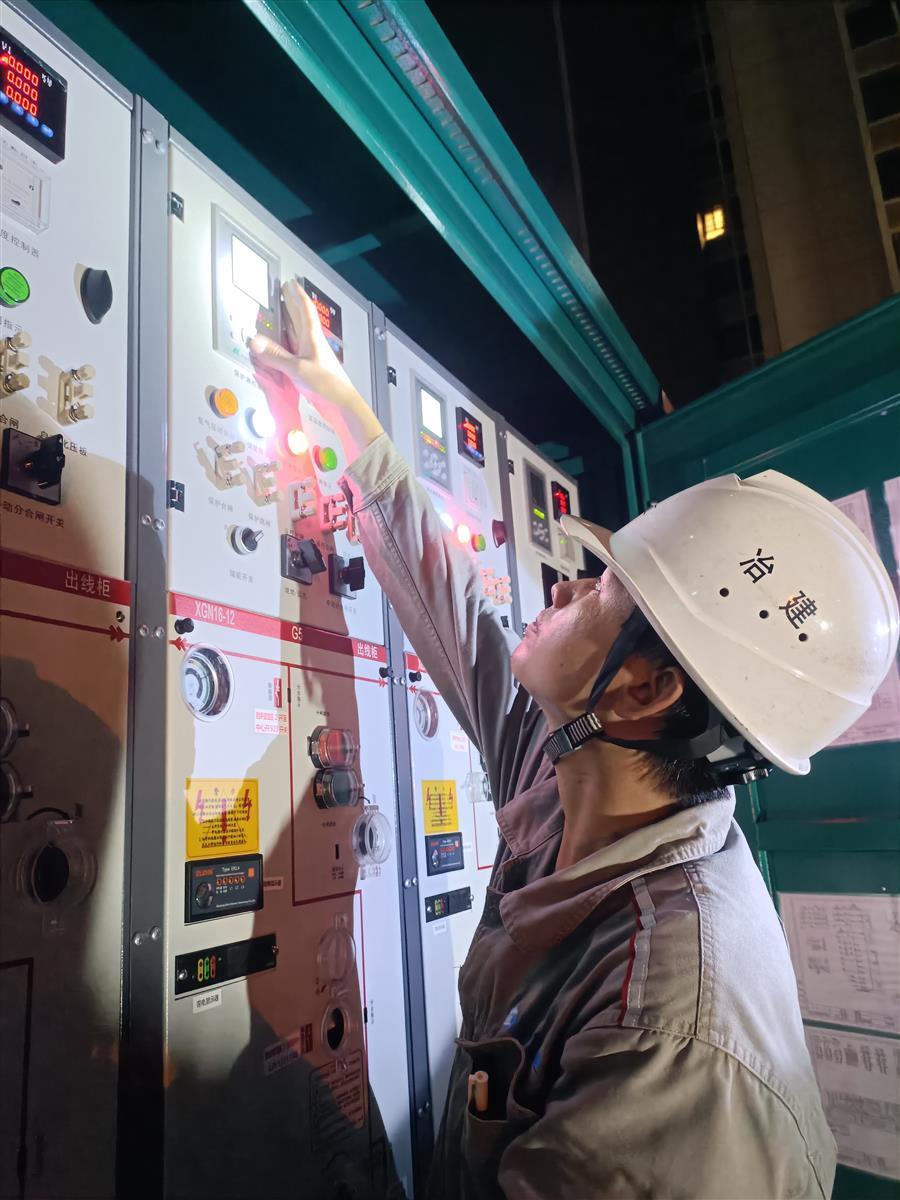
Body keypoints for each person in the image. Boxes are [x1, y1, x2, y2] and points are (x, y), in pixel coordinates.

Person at [253, 282, 900, 1200]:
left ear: (645, 688)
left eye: (600, 590)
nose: (562, 587)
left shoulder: (671, 1047)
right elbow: (460, 623)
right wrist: (342, 404)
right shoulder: (578, 774)